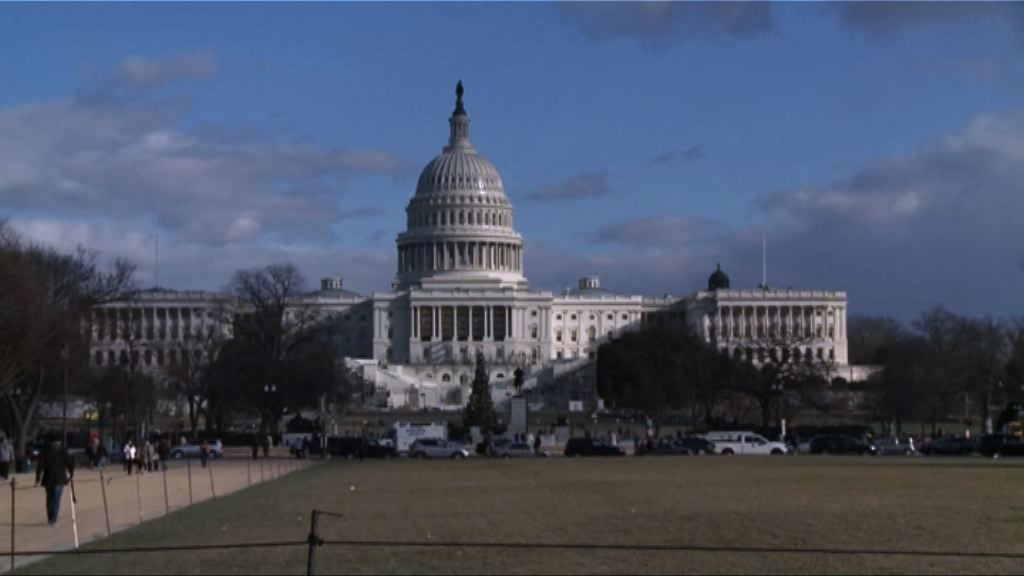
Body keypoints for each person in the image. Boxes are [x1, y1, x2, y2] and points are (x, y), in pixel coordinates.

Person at [35, 440, 74, 527]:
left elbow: (40, 466)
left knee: (49, 499)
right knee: (56, 499)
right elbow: (70, 462)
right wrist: (71, 474)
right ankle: (54, 519)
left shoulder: (45, 450)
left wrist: (37, 478)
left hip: (48, 478)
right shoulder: (62, 450)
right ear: (59, 441)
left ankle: (50, 518)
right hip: (59, 478)